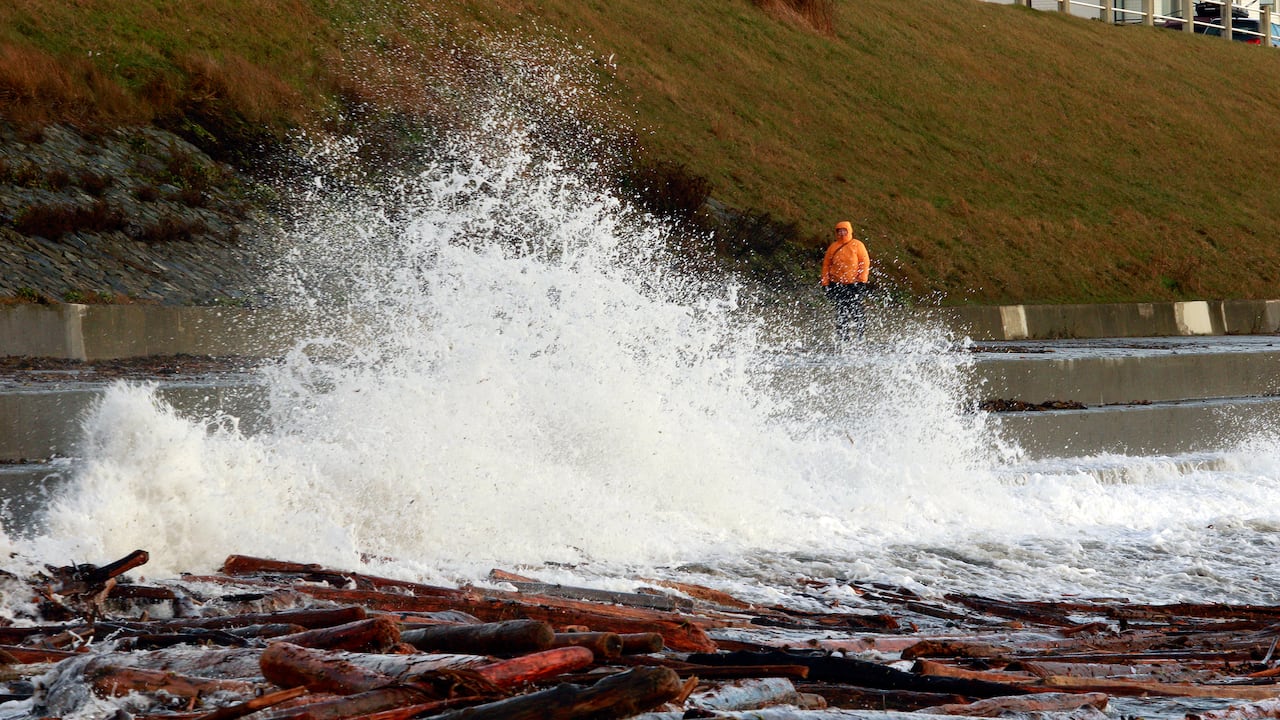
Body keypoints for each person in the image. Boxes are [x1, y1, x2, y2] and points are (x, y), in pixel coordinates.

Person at [820, 221, 871, 341]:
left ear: (849, 231)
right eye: (839, 231)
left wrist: (862, 281)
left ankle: (860, 335)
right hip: (836, 284)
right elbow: (826, 265)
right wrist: (825, 283)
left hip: (854, 285)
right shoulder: (833, 247)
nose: (842, 233)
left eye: (844, 230)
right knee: (840, 311)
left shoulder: (858, 245)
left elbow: (864, 263)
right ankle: (843, 337)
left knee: (856, 309)